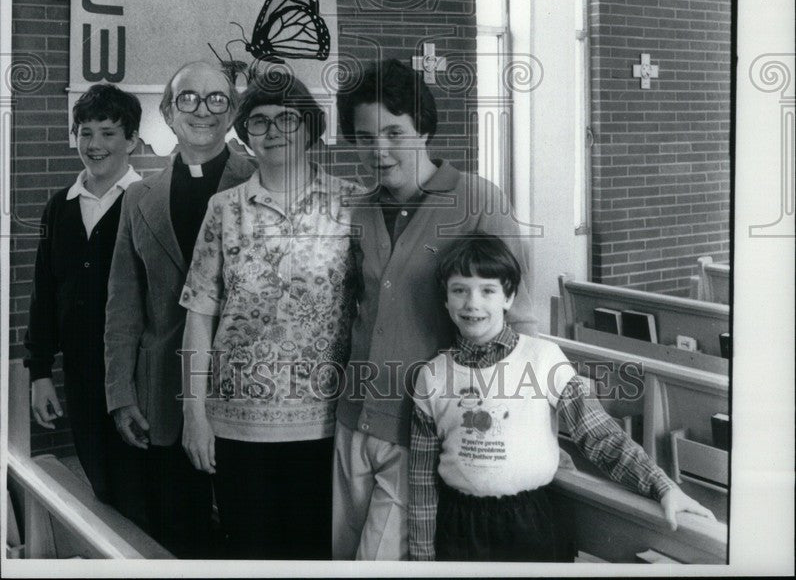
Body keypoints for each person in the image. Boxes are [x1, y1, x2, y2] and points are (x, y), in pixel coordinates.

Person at [332, 57, 537, 561]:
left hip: (420, 428)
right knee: (338, 560)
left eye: (394, 133)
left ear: (423, 127)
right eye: (364, 137)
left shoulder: (478, 200)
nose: (378, 151)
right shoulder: (358, 209)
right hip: (351, 419)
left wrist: (531, 419)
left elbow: (521, 315)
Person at [409, 234, 716, 561]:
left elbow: (600, 436)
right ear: (446, 299)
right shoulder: (432, 375)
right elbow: (421, 481)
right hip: (458, 527)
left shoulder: (543, 358)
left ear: (508, 297)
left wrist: (662, 486)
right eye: (460, 290)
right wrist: (422, 557)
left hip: (529, 522)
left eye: (488, 290)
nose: (472, 303)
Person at [180, 69, 361, 559]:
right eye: (258, 121)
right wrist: (193, 412)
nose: (273, 130)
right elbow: (199, 314)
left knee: (315, 554)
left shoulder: (352, 205)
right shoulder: (223, 208)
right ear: (243, 132)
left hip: (325, 423)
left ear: (311, 128)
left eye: (288, 118)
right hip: (237, 426)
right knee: (250, 553)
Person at [104, 60, 254, 557]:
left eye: (217, 100)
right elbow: (123, 303)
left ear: (232, 112)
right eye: (187, 98)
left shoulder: (262, 182)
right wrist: (121, 391)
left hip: (250, 393)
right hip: (162, 393)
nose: (202, 110)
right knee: (178, 536)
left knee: (247, 532)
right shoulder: (138, 198)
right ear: (167, 112)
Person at [24, 84, 143, 509]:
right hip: (81, 380)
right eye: (85, 132)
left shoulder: (149, 203)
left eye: (109, 132)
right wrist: (39, 373)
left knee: (141, 496)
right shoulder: (59, 207)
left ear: (132, 140)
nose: (94, 145)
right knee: (103, 493)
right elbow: (44, 294)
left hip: (137, 383)